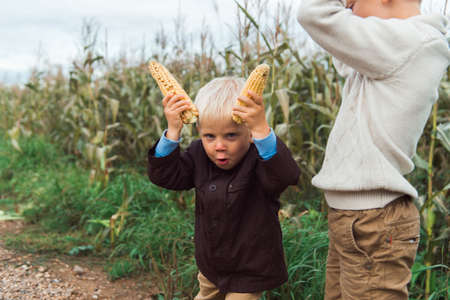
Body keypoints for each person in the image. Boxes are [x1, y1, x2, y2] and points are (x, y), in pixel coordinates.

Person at [297, 0, 450, 298]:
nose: (347, 10)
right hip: (355, 218)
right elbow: (335, 40)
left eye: (351, 3)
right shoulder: (387, 49)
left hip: (373, 221)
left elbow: (313, 13)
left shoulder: (411, 42)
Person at [147, 77, 300, 299]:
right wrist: (172, 131)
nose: (219, 146)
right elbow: (165, 176)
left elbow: (287, 176)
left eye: (230, 136)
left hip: (250, 269)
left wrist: (262, 131)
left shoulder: (260, 158)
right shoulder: (198, 154)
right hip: (211, 266)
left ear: (249, 133)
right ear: (199, 131)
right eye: (209, 136)